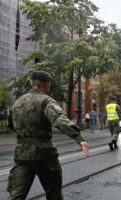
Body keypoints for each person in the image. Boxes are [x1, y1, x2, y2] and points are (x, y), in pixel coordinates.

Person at [7, 70, 89, 200]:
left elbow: (11, 125)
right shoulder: (46, 101)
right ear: (46, 84)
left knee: (16, 195)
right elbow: (59, 120)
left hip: (21, 155)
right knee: (53, 193)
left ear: (31, 83)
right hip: (44, 155)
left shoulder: (17, 103)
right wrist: (78, 138)